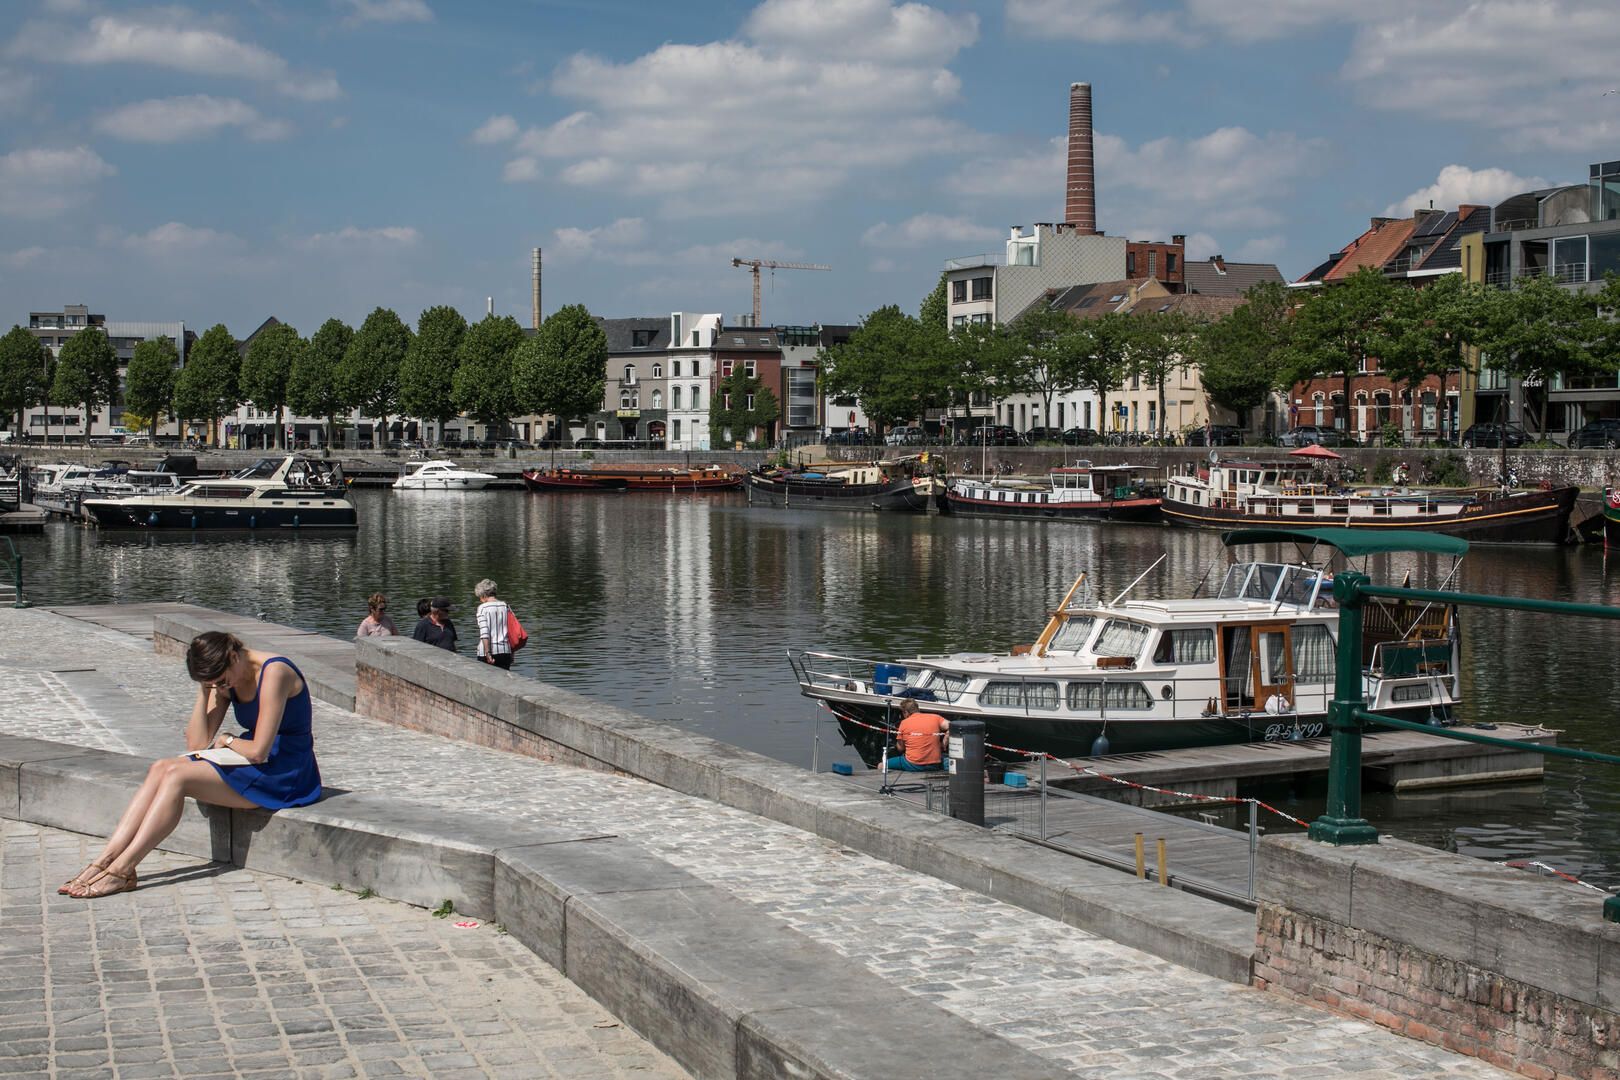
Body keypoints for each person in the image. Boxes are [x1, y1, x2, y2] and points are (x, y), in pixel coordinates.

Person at [58, 631, 322, 899]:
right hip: (252, 761)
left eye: (220, 681)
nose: (219, 687)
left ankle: (123, 870)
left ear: (233, 656)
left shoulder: (275, 671)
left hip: (286, 771)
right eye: (212, 684)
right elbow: (197, 742)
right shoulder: (223, 680)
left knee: (177, 777)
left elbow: (258, 750)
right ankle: (106, 860)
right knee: (162, 767)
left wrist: (228, 739)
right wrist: (204, 689)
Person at [885, 697, 950, 772]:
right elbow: (954, 726)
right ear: (917, 708)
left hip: (913, 764)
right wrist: (944, 741)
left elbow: (900, 748)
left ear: (905, 712)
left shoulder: (904, 723)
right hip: (934, 764)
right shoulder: (935, 717)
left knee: (882, 765)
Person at [474, 578, 513, 669]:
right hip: (505, 651)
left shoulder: (482, 608)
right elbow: (512, 631)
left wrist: (488, 653)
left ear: (483, 595)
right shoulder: (505, 606)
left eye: (480, 597)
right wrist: (512, 652)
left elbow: (484, 632)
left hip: (487, 652)